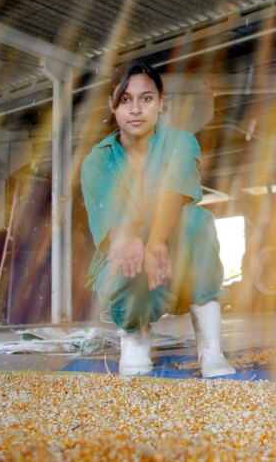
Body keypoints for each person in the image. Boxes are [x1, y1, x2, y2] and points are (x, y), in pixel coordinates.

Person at [81, 60, 235, 377]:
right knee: (126, 253)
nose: (135, 109)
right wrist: (128, 240)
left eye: (146, 98)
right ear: (113, 105)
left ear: (161, 103)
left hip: (173, 256)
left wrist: (155, 243)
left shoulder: (181, 142)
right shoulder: (97, 159)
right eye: (125, 99)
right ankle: (135, 338)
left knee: (195, 219)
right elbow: (114, 211)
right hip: (131, 263)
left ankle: (210, 348)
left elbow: (174, 193)